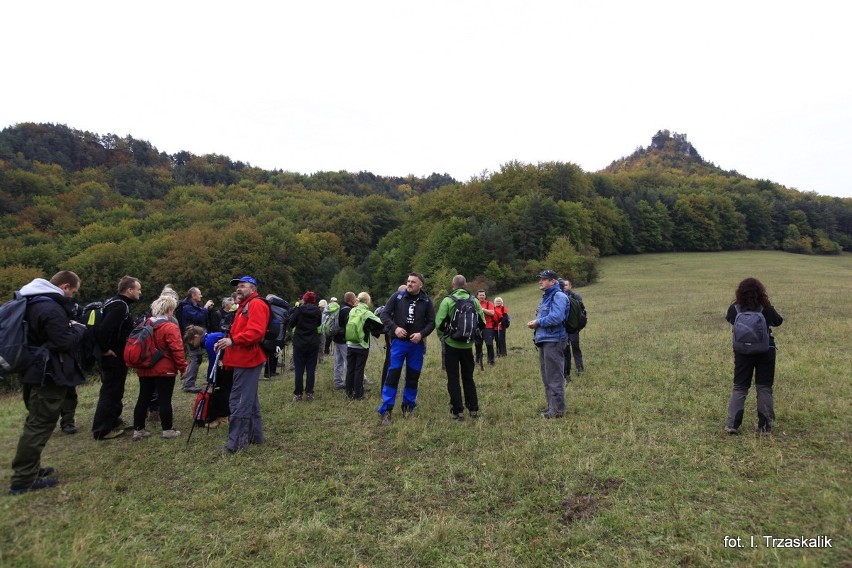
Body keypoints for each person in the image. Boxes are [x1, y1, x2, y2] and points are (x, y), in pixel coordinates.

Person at [9, 271, 87, 495]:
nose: (72, 296)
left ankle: (31, 469)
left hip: (32, 368)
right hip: (48, 372)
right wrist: (78, 329)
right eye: (73, 291)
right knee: (39, 424)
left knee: (34, 420)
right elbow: (63, 342)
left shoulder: (30, 301)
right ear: (64, 286)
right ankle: (24, 479)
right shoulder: (50, 308)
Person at [213, 276, 270, 453]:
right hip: (242, 359)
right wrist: (225, 341)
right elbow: (240, 331)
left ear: (253, 288)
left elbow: (256, 332)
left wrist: (233, 341)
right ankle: (255, 436)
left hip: (248, 359)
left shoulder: (256, 305)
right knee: (249, 400)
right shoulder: (244, 306)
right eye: (237, 286)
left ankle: (236, 445)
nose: (238, 289)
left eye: (243, 286)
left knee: (238, 401)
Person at [724, 277, 783, 435]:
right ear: (760, 291)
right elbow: (778, 321)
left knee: (739, 387)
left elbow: (730, 320)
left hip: (742, 352)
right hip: (766, 350)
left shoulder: (734, 308)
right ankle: (765, 427)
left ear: (740, 292)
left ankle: (732, 425)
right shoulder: (765, 308)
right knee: (764, 387)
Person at [377, 274, 436, 424]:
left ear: (420, 285)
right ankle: (386, 410)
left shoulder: (427, 301)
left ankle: (408, 408)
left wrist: (421, 334)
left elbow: (431, 322)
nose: (409, 284)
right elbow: (384, 314)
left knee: (413, 376)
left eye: (413, 282)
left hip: (416, 345)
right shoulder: (397, 296)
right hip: (398, 343)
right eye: (408, 281)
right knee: (393, 375)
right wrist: (395, 328)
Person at [91, 275, 142, 440]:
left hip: (117, 356)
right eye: (138, 289)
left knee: (116, 389)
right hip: (113, 357)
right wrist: (105, 349)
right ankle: (102, 430)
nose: (140, 292)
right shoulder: (119, 306)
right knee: (110, 391)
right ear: (129, 290)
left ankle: (113, 421)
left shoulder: (115, 303)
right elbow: (105, 329)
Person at [131, 295, 187, 441]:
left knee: (143, 398)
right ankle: (167, 430)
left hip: (145, 367)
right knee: (164, 399)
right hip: (164, 369)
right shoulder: (169, 327)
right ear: (169, 310)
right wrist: (183, 368)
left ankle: (138, 430)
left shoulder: (143, 324)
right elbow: (177, 349)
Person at [435, 275, 485, 421]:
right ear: (465, 285)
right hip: (468, 346)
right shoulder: (474, 301)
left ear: (453, 285)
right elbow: (481, 323)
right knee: (468, 377)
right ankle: (473, 409)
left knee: (453, 378)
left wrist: (443, 338)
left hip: (451, 345)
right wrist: (471, 337)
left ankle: (457, 412)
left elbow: (439, 323)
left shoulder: (448, 301)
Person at [528, 270, 569, 419]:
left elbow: (557, 317)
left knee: (554, 377)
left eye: (544, 279)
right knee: (547, 376)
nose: (540, 281)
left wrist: (538, 322)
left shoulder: (559, 296)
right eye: (540, 279)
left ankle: (558, 410)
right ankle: (551, 406)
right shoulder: (547, 297)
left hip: (554, 340)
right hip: (545, 340)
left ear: (553, 281)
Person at [184, 325, 232, 429]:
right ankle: (225, 416)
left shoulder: (209, 342)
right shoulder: (210, 337)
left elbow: (213, 363)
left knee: (221, 391)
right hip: (226, 363)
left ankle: (222, 417)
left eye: (192, 342)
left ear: (196, 337)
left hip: (228, 364)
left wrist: (211, 382)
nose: (192, 345)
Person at [344, 292, 384, 400]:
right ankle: (358, 394)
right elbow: (380, 323)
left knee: (350, 368)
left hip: (350, 343)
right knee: (359, 370)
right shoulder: (366, 313)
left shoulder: (352, 310)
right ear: (367, 301)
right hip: (362, 344)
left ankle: (348, 392)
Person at [177, 287, 214, 393]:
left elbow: (203, 318)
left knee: (196, 358)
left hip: (196, 335)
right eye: (199, 294)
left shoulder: (195, 306)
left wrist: (207, 310)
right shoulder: (187, 307)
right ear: (193, 296)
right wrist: (205, 308)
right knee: (195, 358)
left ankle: (188, 382)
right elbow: (198, 317)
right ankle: (189, 384)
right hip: (192, 336)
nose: (201, 296)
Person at [288, 291, 322, 401]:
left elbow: (291, 323)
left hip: (299, 342)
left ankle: (298, 394)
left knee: (299, 369)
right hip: (312, 342)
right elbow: (318, 324)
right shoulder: (317, 311)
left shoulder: (299, 310)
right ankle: (309, 392)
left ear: (305, 299)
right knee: (311, 369)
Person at [330, 292, 355, 390]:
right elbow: (348, 326)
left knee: (338, 362)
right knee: (349, 362)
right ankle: (351, 383)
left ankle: (338, 382)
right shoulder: (348, 310)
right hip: (344, 339)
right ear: (350, 299)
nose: (355, 299)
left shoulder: (340, 308)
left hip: (337, 338)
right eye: (354, 298)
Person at [562, 279, 585, 378]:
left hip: (574, 328)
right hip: (563, 328)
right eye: (563, 285)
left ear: (570, 286)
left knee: (575, 348)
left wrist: (578, 326)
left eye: (566, 285)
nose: (564, 287)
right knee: (565, 350)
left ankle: (580, 368)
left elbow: (581, 313)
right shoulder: (559, 297)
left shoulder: (576, 297)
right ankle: (567, 372)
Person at [474, 290, 497, 367]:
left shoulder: (489, 303)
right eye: (480, 295)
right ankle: (477, 361)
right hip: (477, 328)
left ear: (485, 296)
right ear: (477, 296)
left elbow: (492, 313)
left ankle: (491, 361)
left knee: (489, 344)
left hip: (488, 327)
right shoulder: (474, 304)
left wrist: (482, 309)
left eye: (483, 295)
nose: (482, 296)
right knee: (478, 345)